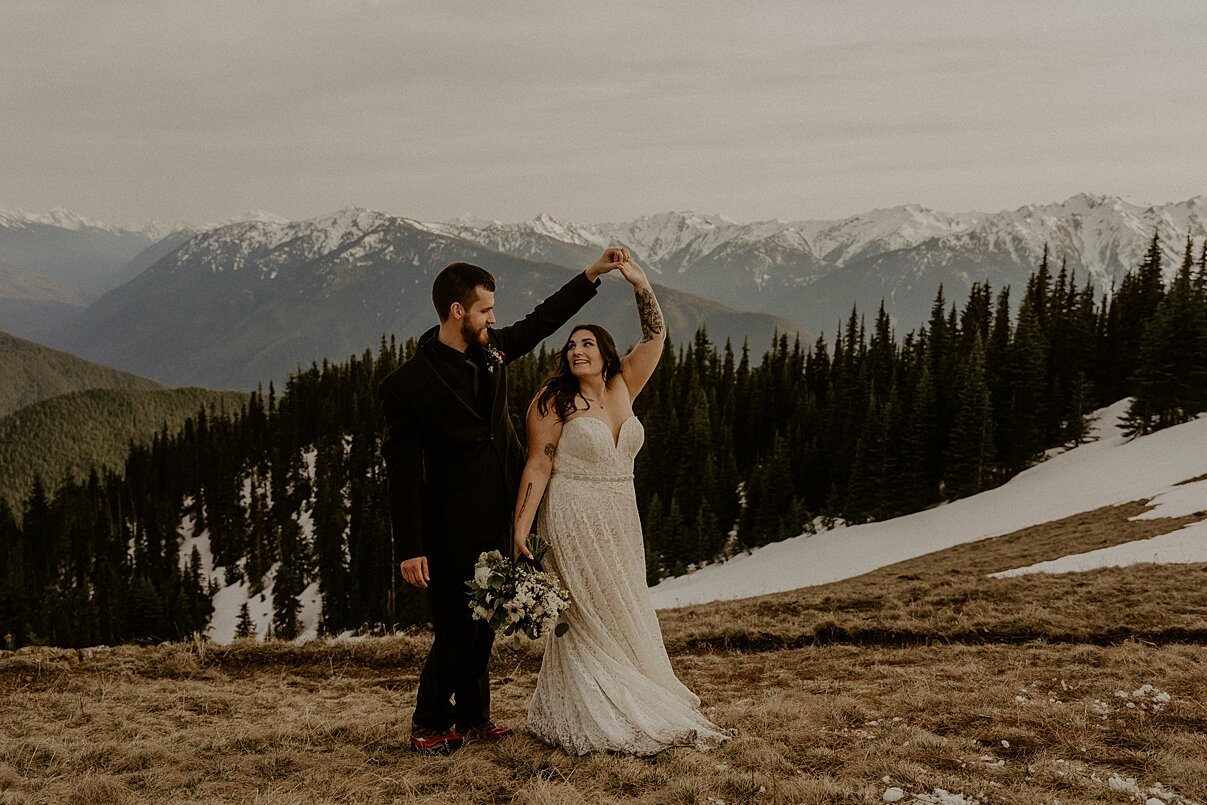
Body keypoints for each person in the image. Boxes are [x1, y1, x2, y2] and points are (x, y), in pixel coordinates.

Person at [378, 249, 625, 753]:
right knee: (454, 629)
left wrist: (592, 275)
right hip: (448, 523)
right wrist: (410, 547)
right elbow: (401, 474)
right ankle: (428, 722)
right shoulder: (406, 386)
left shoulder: (493, 350)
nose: (494, 318)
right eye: (485, 310)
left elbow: (543, 320)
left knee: (486, 621)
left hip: (501, 510)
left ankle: (472, 717)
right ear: (456, 312)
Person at [512, 258, 732, 756]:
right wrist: (521, 530)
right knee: (588, 613)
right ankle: (600, 707)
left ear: (607, 353)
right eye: (570, 345)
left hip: (620, 517)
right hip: (572, 514)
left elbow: (655, 337)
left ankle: (638, 688)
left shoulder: (622, 385)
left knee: (624, 606)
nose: (577, 350)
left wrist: (642, 285)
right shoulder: (553, 402)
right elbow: (538, 466)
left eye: (587, 342)